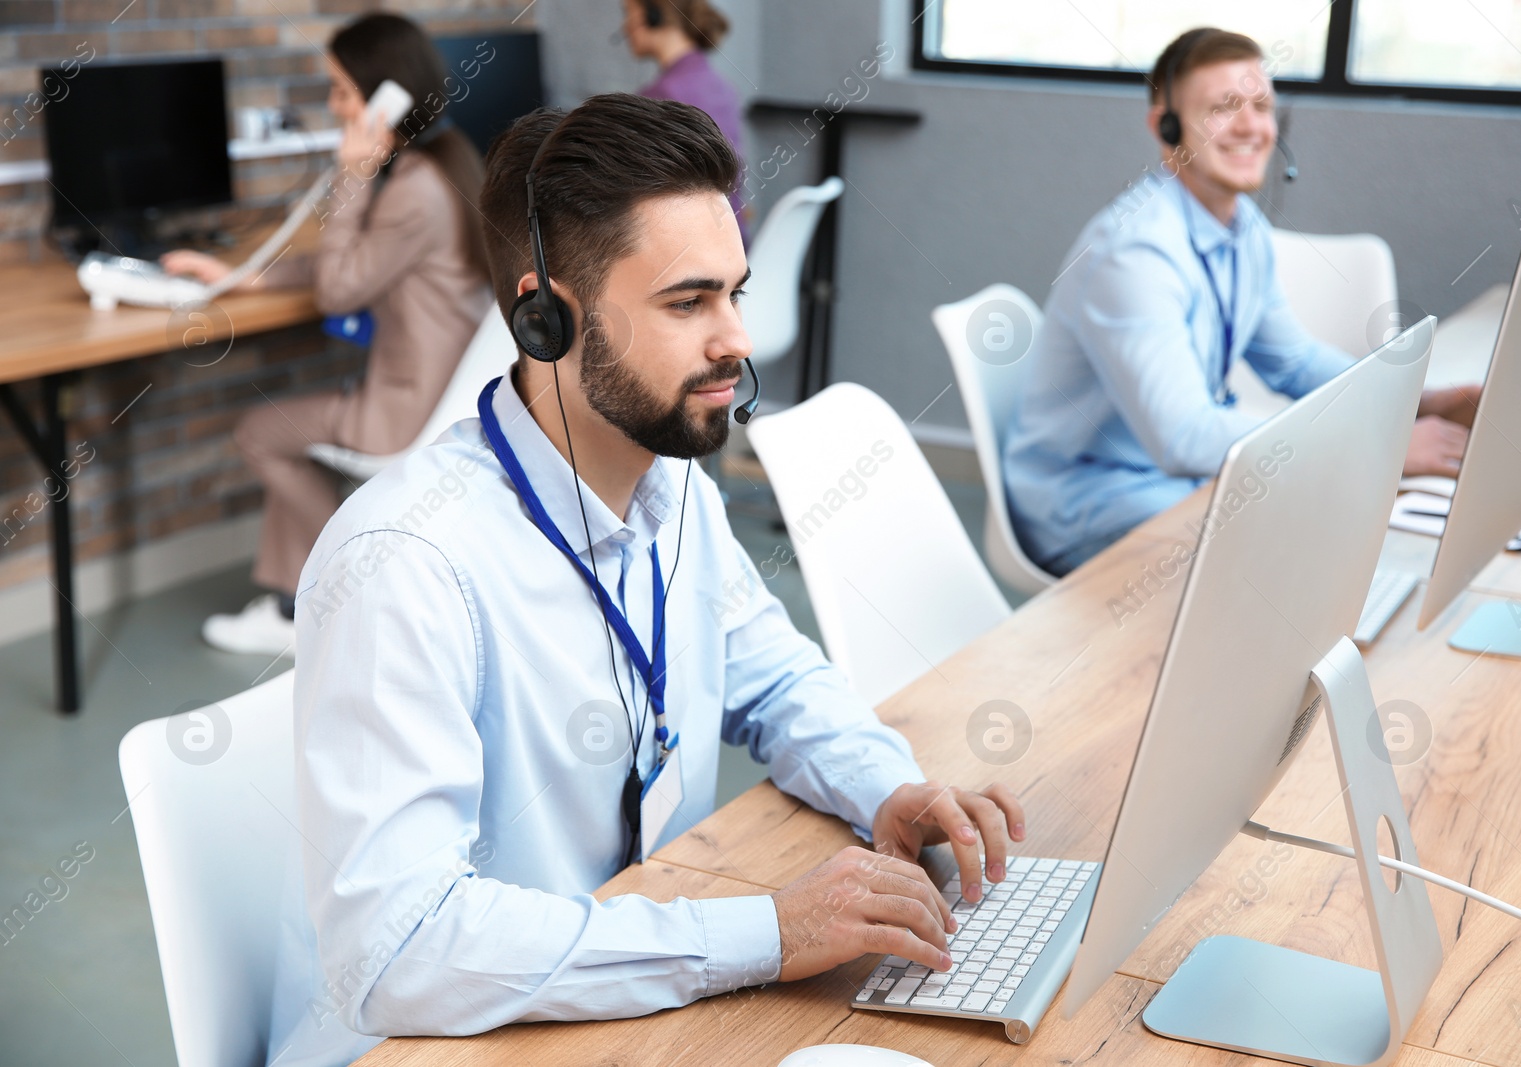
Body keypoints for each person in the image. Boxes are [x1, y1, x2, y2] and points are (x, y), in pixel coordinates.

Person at [264, 93, 1025, 1067]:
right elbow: (398, 950)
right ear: (546, 316)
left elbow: (779, 683)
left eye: (734, 292)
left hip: (614, 1002)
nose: (736, 339)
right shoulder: (405, 562)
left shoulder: (675, 494)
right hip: (424, 1042)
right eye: (687, 301)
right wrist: (769, 932)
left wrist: (887, 787)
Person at [1003, 27, 1481, 575]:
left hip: (1171, 482)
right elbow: (1185, 438)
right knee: (1304, 537)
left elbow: (1294, 363)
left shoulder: (1241, 228)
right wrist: (1377, 445)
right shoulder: (1133, 254)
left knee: (1340, 521)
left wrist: (1415, 402)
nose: (1251, 126)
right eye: (1223, 108)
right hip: (1089, 502)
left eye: (1261, 105)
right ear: (1167, 127)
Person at [164, 13, 494, 655]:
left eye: (342, 90)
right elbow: (358, 265)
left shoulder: (411, 189)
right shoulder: (443, 163)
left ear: (384, 97)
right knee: (283, 431)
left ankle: (352, 578)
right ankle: (296, 606)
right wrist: (244, 278)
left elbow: (341, 288)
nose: (332, 104)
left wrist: (352, 176)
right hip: (440, 396)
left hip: (407, 412)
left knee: (259, 433)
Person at [621, 0, 751, 243]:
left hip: (695, 251)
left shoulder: (661, 96)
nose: (625, 27)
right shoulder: (720, 86)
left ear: (653, 15)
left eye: (628, 14)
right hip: (733, 239)